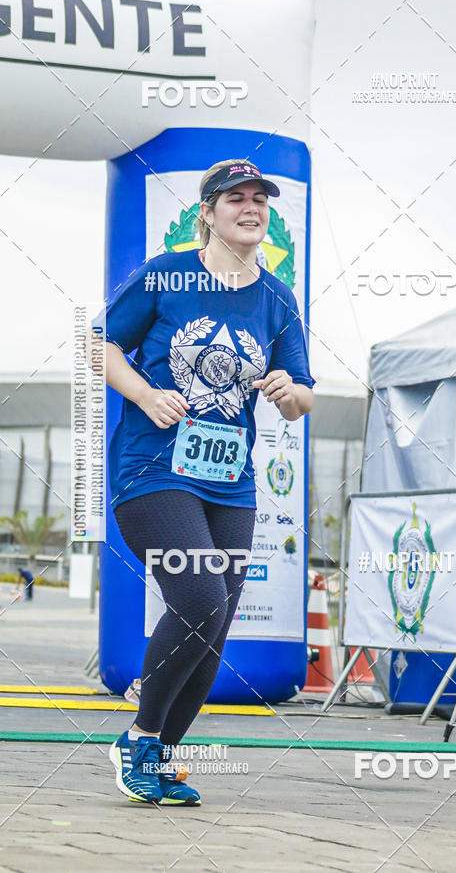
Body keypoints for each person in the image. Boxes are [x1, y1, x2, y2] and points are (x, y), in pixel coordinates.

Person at [90, 159, 315, 806]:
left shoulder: (276, 298)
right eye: (235, 199)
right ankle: (138, 740)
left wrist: (286, 392)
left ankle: (158, 757)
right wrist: (144, 391)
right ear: (207, 214)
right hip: (154, 469)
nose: (251, 208)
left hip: (230, 481)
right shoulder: (168, 275)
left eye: (259, 200)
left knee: (216, 625)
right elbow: (99, 343)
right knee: (199, 600)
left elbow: (301, 392)